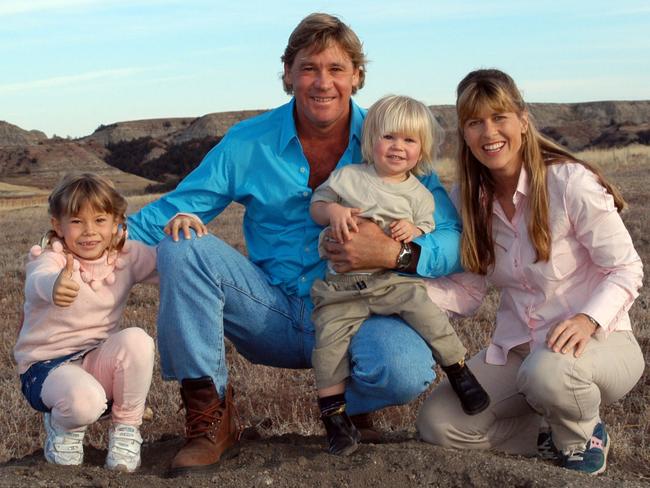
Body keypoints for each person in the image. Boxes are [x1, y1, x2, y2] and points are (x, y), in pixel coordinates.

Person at [127, 13, 463, 475]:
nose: (322, 82)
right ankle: (210, 419)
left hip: (363, 308)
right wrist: (82, 240)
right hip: (273, 312)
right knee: (181, 244)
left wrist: (396, 254)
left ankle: (346, 408)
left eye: (336, 69)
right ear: (288, 74)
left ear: (357, 76)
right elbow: (173, 209)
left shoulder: (393, 138)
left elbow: (449, 235)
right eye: (308, 68)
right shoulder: (248, 142)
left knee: (407, 369)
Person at [416, 69, 644, 476]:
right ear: (464, 134)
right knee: (439, 423)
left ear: (523, 119)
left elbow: (626, 268)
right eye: (474, 122)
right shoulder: (466, 199)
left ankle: (583, 437)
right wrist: (402, 293)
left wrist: (587, 318)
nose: (489, 132)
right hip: (519, 351)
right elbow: (468, 292)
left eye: (499, 117)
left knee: (548, 372)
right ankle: (547, 434)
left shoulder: (569, 182)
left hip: (600, 343)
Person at [309, 95, 489, 455]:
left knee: (426, 312)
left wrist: (412, 229)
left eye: (409, 140)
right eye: (389, 137)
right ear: (371, 138)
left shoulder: (421, 193)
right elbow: (317, 204)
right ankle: (335, 419)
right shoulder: (349, 177)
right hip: (341, 287)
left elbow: (428, 226)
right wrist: (333, 213)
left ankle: (459, 371)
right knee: (328, 346)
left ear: (421, 150)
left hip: (392, 281)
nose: (397, 147)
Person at [14, 173, 157, 472]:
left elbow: (173, 266)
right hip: (46, 369)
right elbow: (36, 281)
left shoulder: (125, 256)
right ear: (58, 225)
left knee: (138, 341)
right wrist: (54, 286)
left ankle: (126, 429)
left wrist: (184, 227)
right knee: (85, 402)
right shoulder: (52, 259)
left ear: (117, 221)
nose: (89, 231)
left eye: (100, 220)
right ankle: (63, 428)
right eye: (77, 221)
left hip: (94, 360)